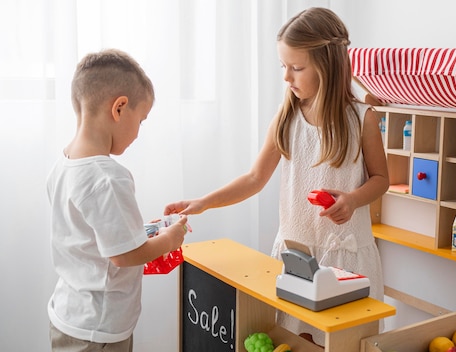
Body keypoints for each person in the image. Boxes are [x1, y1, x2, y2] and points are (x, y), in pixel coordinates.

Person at [164, 7, 389, 345]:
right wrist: (203, 202)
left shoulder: (362, 119)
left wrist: (354, 199)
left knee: (344, 343)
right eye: (283, 67)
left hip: (346, 260)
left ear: (329, 66)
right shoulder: (287, 118)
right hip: (295, 256)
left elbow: (381, 178)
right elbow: (255, 177)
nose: (286, 77)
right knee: (293, 339)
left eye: (296, 68)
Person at [47, 48, 189, 351]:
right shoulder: (108, 177)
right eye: (141, 120)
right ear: (120, 108)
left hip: (69, 312)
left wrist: (139, 232)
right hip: (99, 329)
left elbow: (90, 233)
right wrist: (170, 238)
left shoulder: (64, 163)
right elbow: (124, 255)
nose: (138, 133)